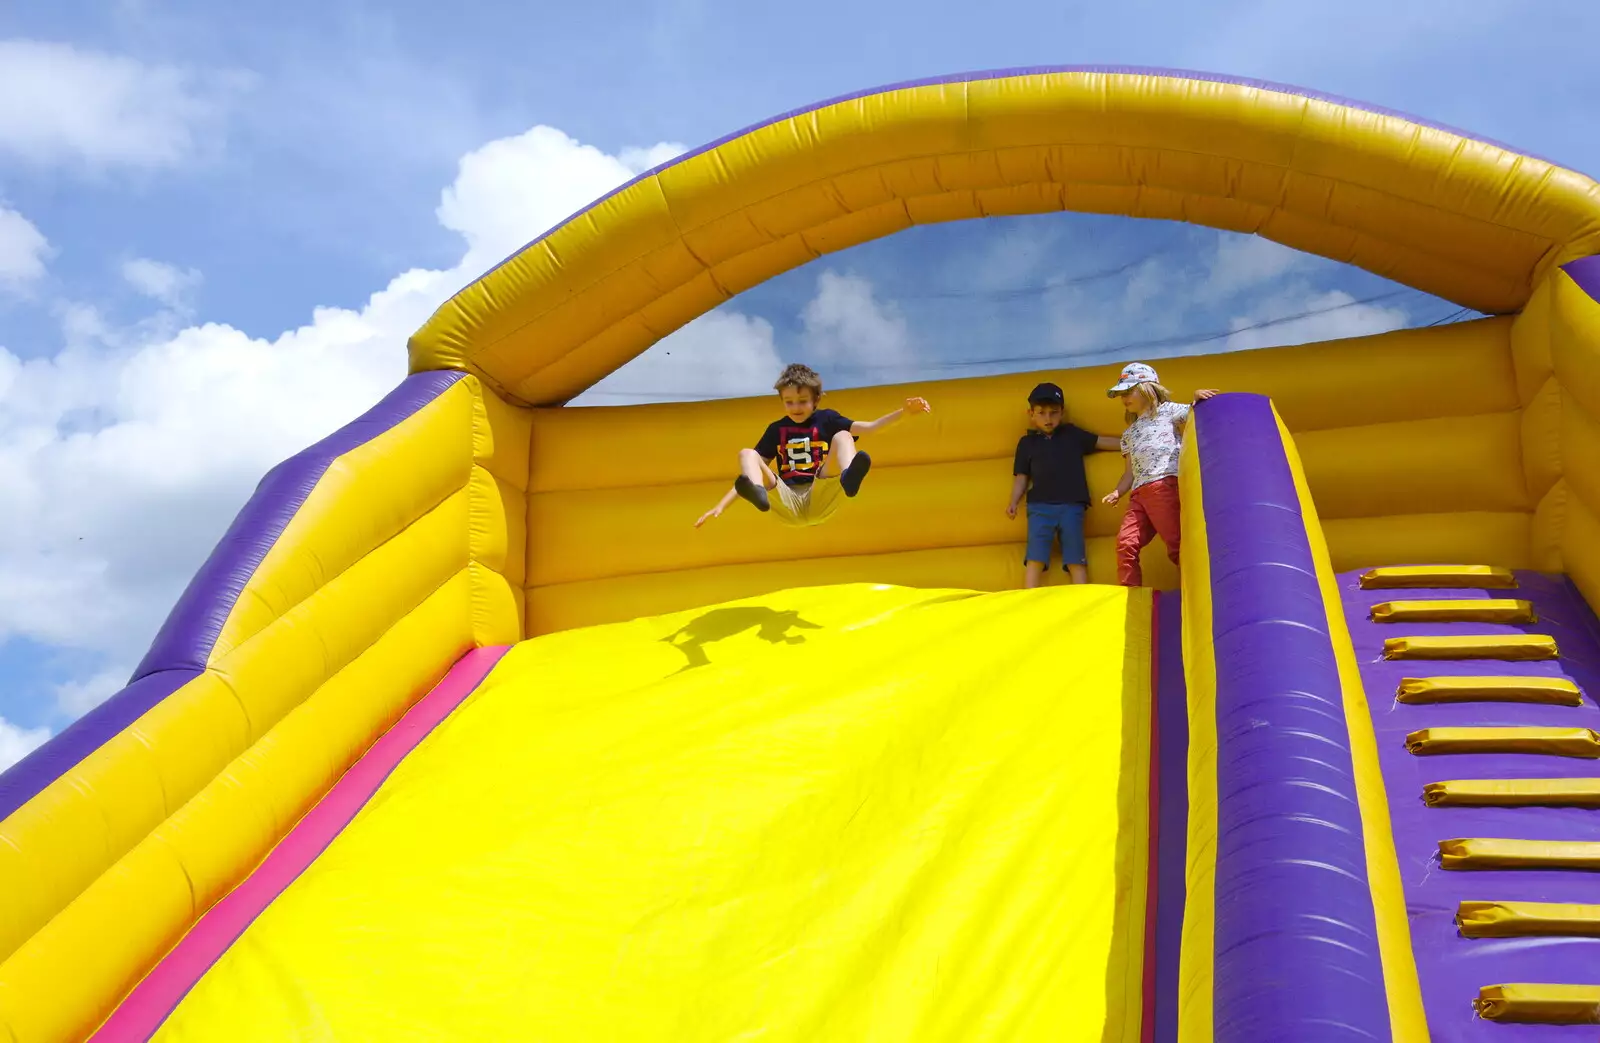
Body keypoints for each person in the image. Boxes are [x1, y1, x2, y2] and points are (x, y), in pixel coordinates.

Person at [695, 363, 932, 528]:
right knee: (747, 454)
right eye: (789, 402)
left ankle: (849, 477)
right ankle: (758, 493)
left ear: (816, 399)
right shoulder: (776, 430)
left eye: (802, 401)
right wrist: (721, 507)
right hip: (787, 500)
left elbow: (869, 427)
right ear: (781, 401)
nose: (796, 407)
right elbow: (748, 472)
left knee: (842, 436)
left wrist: (904, 413)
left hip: (821, 493)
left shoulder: (827, 419)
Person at [1100, 363, 1220, 586]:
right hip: (1139, 494)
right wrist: (1118, 491)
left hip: (1164, 484)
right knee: (1125, 543)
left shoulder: (1168, 411)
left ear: (1147, 387)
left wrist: (1196, 399)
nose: (1124, 398)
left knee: (1176, 542)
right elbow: (1129, 472)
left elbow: (1194, 413)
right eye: (1121, 394)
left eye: (1129, 391)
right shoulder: (1128, 434)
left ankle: (1194, 588)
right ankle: (1130, 594)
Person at [1007, 382, 1119, 587]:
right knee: (1036, 555)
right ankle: (1028, 597)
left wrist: (1133, 443)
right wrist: (1014, 501)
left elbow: (1100, 441)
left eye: (1053, 413)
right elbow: (1021, 476)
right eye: (1041, 413)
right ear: (1030, 413)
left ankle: (1082, 596)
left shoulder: (1072, 435)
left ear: (1062, 412)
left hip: (1072, 505)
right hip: (1039, 507)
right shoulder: (1027, 443)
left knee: (1076, 556)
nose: (1048, 419)